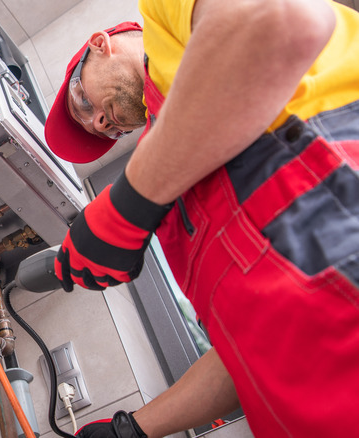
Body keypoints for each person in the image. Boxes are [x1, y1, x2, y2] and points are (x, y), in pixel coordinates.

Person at [43, 0, 359, 436]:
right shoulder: (181, 187)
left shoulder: (165, 15)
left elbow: (280, 23)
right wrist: (134, 429)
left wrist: (129, 204)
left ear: (100, 45)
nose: (99, 121)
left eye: (83, 102)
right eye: (105, 130)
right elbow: (249, 349)